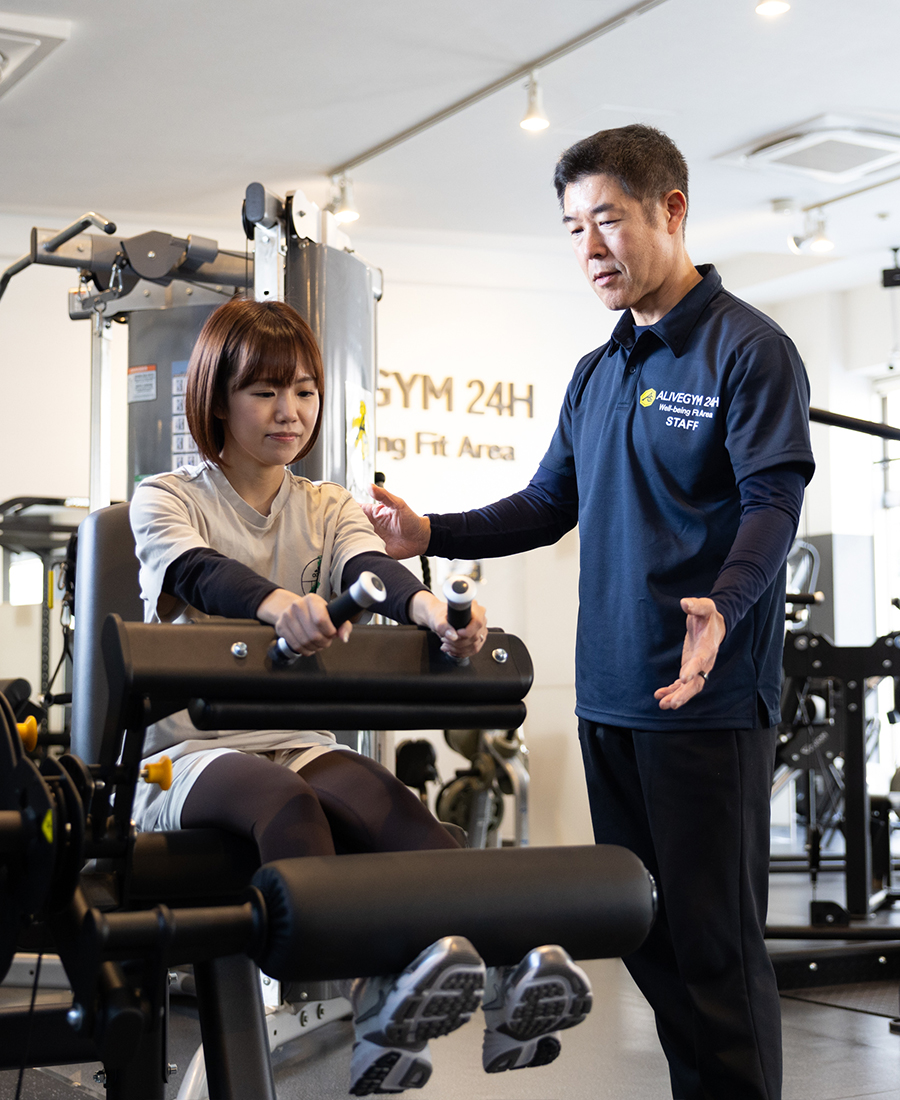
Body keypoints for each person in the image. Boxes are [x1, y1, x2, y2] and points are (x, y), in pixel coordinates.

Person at [363, 125, 815, 1100]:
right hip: (610, 696)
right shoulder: (597, 371)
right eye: (574, 228)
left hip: (704, 703)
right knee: (646, 935)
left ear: (672, 210)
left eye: (608, 219)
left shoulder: (748, 350)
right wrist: (430, 529)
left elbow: (773, 500)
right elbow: (545, 503)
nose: (590, 247)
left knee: (717, 951)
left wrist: (726, 604)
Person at [129, 296, 592, 1096]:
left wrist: (435, 614)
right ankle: (367, 1001)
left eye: (304, 391)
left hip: (294, 741)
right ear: (218, 399)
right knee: (285, 802)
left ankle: (508, 985)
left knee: (392, 806)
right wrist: (278, 605)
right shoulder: (167, 497)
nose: (289, 411)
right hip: (186, 755)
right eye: (264, 391)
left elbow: (369, 569)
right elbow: (201, 573)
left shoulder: (328, 504)